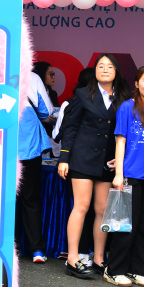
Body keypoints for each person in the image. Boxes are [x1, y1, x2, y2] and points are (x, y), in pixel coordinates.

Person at [58, 53, 130, 279]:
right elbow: (71, 127)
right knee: (81, 206)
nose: (105, 70)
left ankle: (99, 259)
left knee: (102, 209)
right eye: (101, 66)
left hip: (107, 161)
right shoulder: (83, 94)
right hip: (82, 158)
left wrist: (122, 159)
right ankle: (72, 258)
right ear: (95, 71)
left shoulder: (124, 98)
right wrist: (64, 158)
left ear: (116, 72)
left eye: (109, 66)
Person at [104, 66, 144, 287]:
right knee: (125, 226)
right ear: (137, 84)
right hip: (130, 174)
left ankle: (137, 270)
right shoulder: (127, 107)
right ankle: (114, 270)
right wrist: (119, 174)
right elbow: (120, 141)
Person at [53, 68, 95, 267]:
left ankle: (80, 253)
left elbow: (57, 134)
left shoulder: (69, 103)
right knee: (91, 208)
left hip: (74, 161)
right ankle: (86, 254)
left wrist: (64, 157)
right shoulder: (105, 104)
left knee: (80, 207)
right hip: (93, 162)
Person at [16, 70, 53, 263]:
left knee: (5, 200)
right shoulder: (32, 76)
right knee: (30, 198)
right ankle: (37, 250)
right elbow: (46, 111)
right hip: (28, 144)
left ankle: (8, 247)